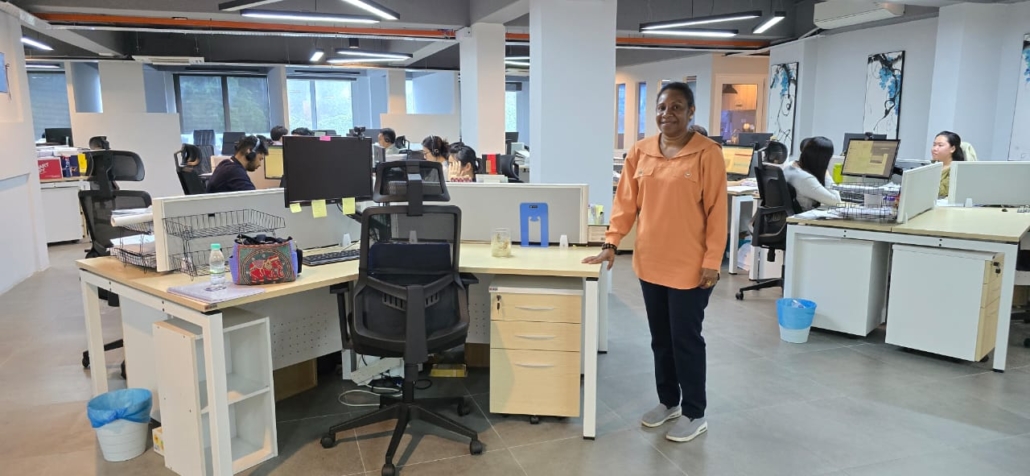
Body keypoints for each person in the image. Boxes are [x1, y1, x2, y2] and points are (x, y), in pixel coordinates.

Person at [583, 82, 726, 444]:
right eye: (662, 107)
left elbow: (717, 212)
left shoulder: (707, 153)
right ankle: (669, 402)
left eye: (676, 107)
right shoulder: (640, 151)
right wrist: (611, 242)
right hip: (651, 262)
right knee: (661, 338)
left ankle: (695, 412)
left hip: (691, 266)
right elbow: (625, 203)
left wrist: (712, 260)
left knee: (685, 340)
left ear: (691, 112)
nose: (667, 114)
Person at [779, 136, 842, 212]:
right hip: (802, 216)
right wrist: (825, 171)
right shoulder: (805, 178)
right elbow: (836, 201)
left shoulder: (790, 165)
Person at [932, 131, 966, 198]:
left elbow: (942, 191)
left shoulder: (956, 170)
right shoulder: (929, 165)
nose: (934, 149)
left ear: (952, 149)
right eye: (934, 145)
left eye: (940, 145)